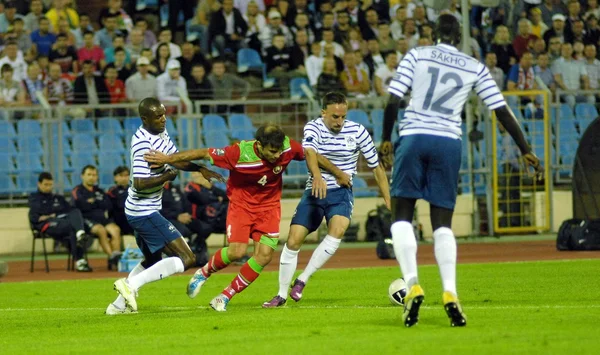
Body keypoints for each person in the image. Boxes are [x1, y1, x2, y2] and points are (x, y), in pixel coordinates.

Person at [378, 14, 543, 328]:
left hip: (413, 137)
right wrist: (525, 148)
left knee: (401, 215)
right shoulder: (474, 65)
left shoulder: (417, 54)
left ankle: (412, 282)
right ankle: (451, 292)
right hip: (449, 143)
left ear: (435, 34)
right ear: (459, 39)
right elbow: (501, 110)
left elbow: (393, 99)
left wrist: (386, 138)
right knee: (442, 224)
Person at [143, 124, 307, 312]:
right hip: (241, 207)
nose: (277, 155)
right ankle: (203, 273)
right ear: (259, 145)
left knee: (264, 256)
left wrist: (323, 173)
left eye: (279, 151)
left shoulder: (287, 147)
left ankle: (224, 296)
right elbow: (204, 153)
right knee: (237, 252)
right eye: (272, 151)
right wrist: (168, 159)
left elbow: (309, 154)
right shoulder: (238, 153)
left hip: (269, 208)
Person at [263, 92, 391, 308]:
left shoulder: (358, 131)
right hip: (315, 190)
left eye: (342, 117)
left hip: (341, 192)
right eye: (334, 117)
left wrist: (388, 200)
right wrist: (318, 177)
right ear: (324, 112)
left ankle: (302, 279)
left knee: (339, 229)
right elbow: (311, 153)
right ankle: (281, 294)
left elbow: (376, 166)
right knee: (294, 240)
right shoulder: (313, 127)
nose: (339, 122)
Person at [108, 97, 223, 315]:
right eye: (158, 116)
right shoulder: (142, 142)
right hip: (143, 211)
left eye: (163, 114)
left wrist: (199, 168)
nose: (163, 119)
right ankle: (130, 286)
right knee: (188, 258)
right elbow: (140, 183)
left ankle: (116, 307)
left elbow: (172, 158)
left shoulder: (160, 133)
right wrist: (166, 177)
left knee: (152, 259)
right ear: (145, 119)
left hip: (141, 209)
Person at [29, 172, 92, 272]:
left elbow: (69, 209)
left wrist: (51, 214)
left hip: (61, 222)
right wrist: (52, 214)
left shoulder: (57, 198)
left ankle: (80, 235)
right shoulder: (34, 198)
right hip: (45, 225)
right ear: (39, 184)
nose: (48, 187)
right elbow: (35, 217)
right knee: (71, 227)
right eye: (46, 184)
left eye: (50, 184)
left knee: (75, 214)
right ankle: (80, 259)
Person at [72, 165, 123, 270]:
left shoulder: (99, 191)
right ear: (82, 176)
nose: (92, 177)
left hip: (102, 219)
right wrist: (97, 203)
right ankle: (113, 258)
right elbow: (81, 205)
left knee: (116, 230)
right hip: (86, 220)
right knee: (101, 230)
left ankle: (115, 255)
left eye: (94, 175)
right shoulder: (77, 190)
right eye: (89, 174)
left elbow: (108, 205)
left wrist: (92, 202)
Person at [107, 166, 133, 236]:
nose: (124, 178)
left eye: (126, 175)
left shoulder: (134, 190)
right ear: (115, 177)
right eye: (121, 175)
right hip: (120, 220)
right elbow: (119, 205)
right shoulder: (112, 192)